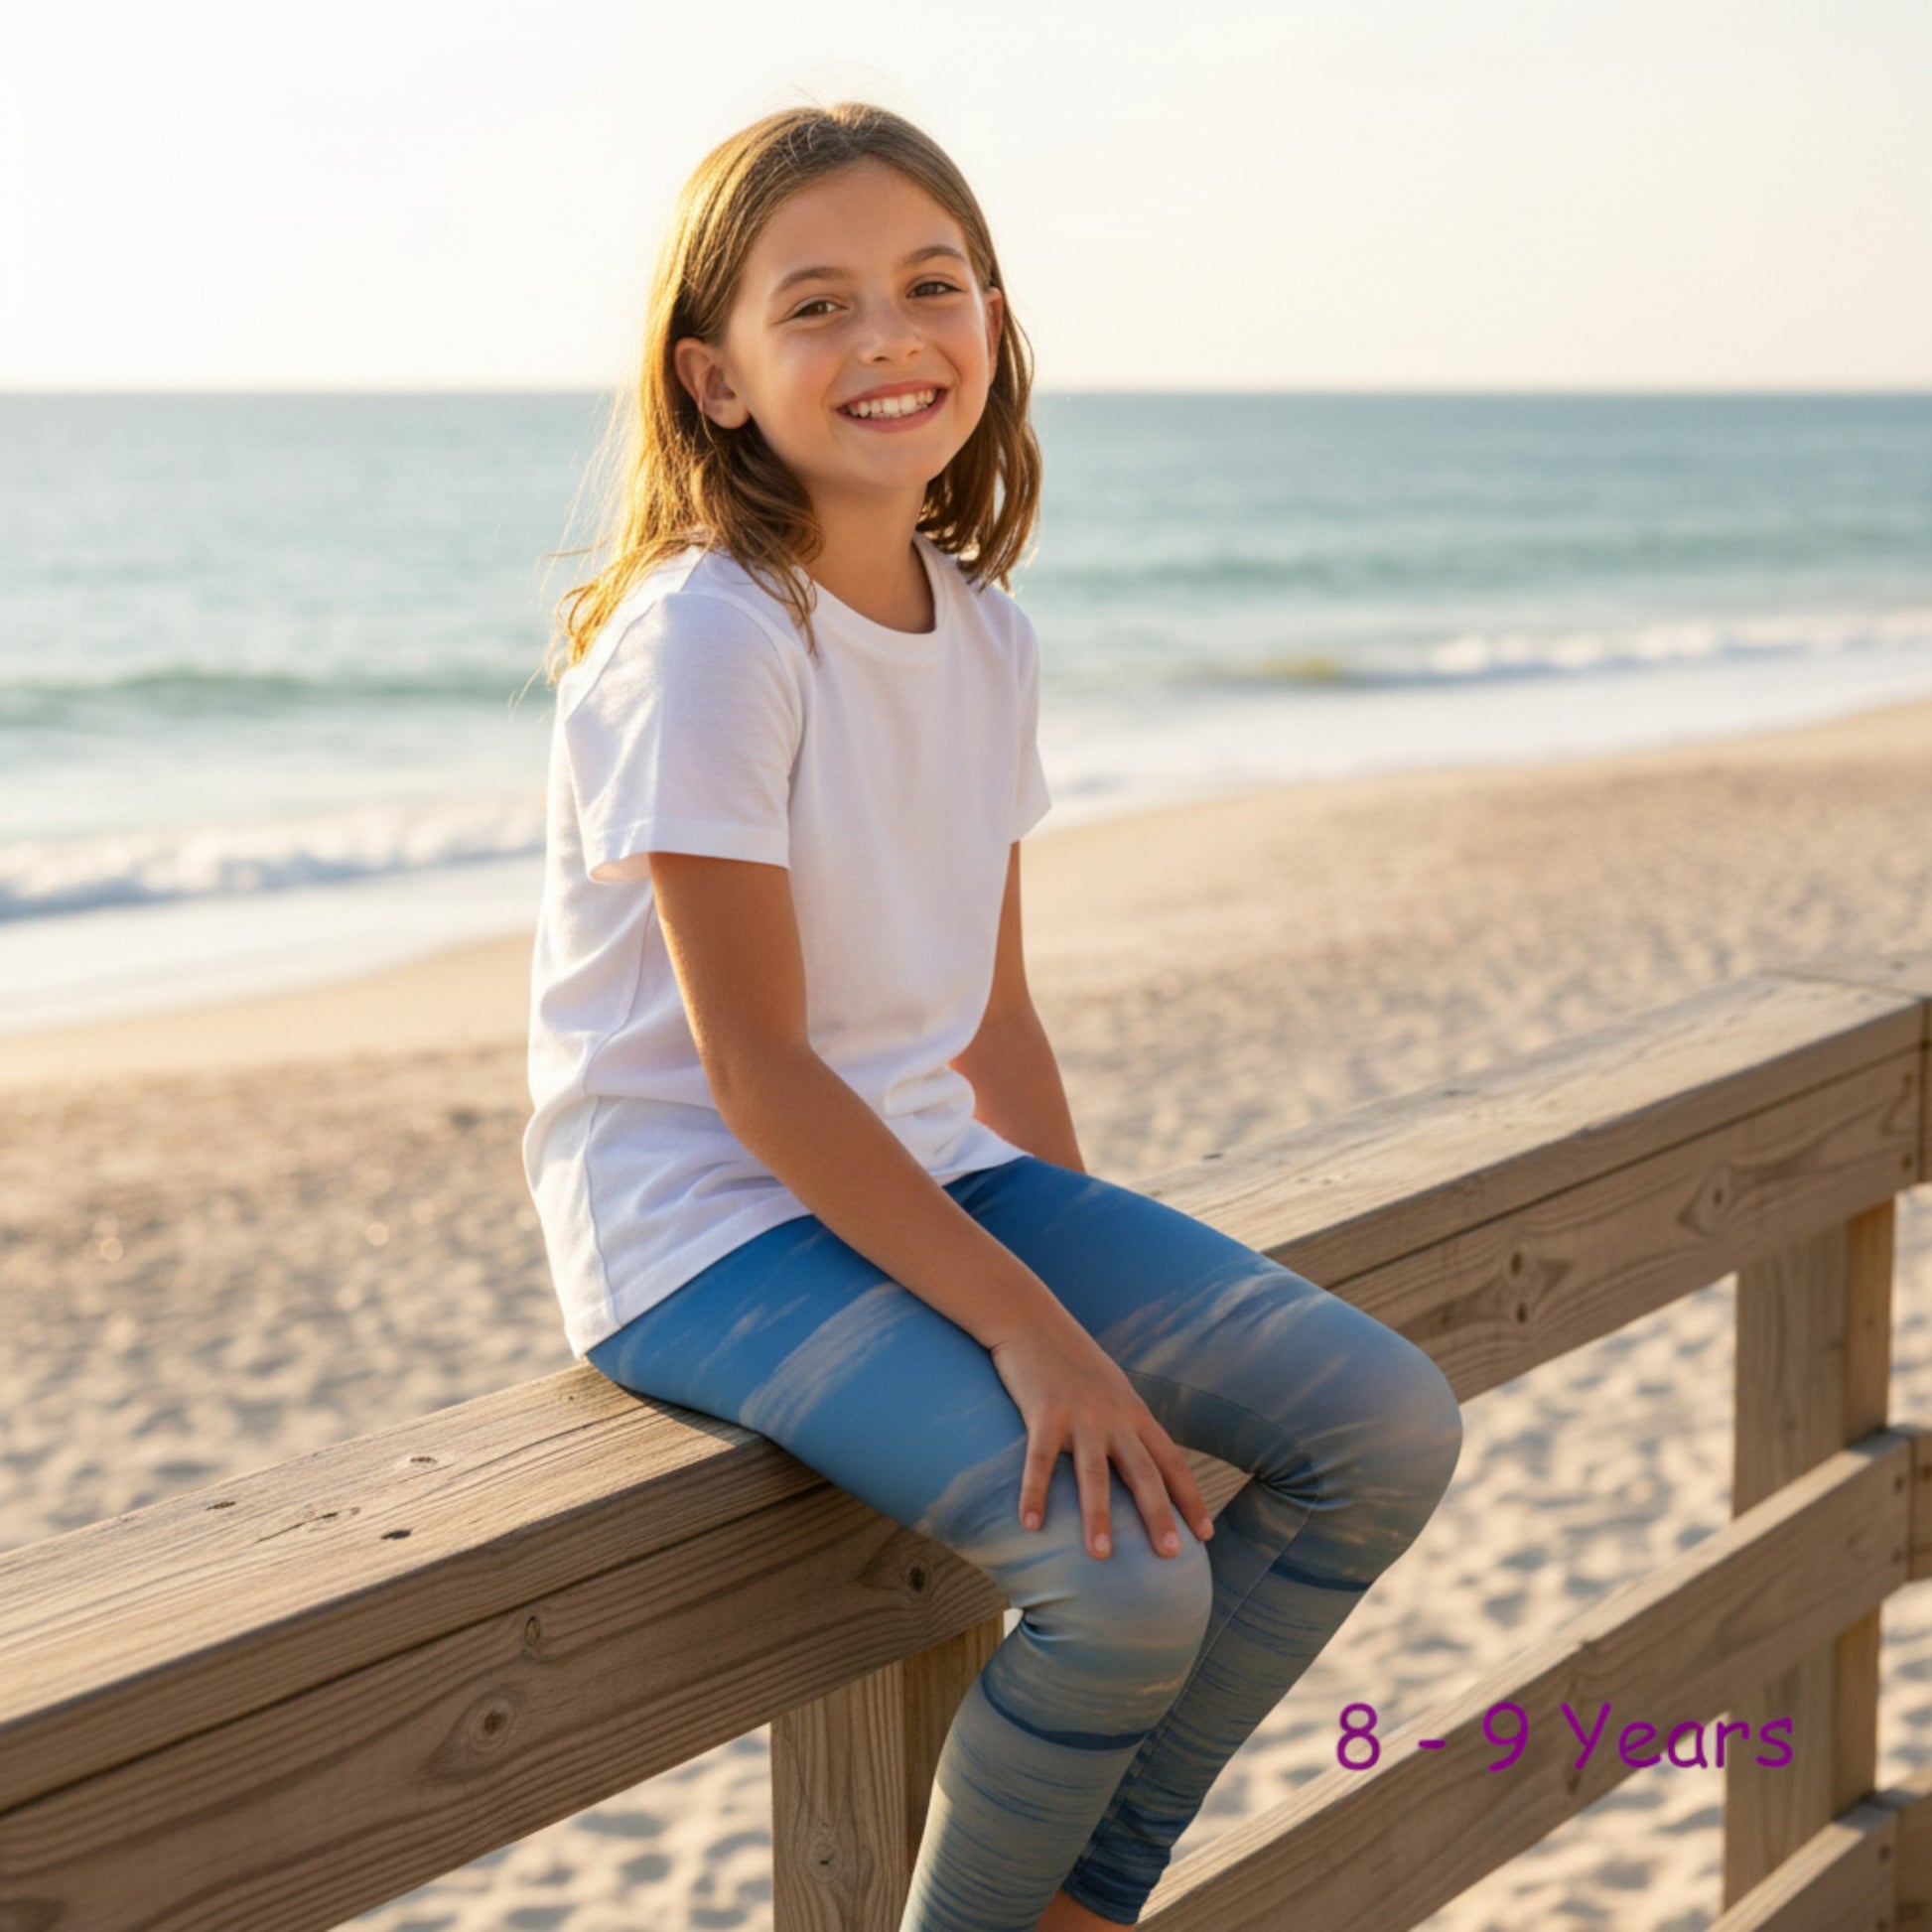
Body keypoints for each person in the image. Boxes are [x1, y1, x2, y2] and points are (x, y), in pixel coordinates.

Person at [520, 98, 1463, 1932]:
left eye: (929, 285)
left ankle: (1080, 1899)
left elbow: (990, 1013)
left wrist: (1108, 1315)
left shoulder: (984, 627)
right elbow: (756, 1067)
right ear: (713, 379)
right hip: (703, 1223)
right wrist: (1039, 1336)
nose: (886, 337)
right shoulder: (708, 633)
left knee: (1384, 1426)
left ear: (994, 324)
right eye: (817, 306)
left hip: (924, 1165)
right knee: (1125, 1589)